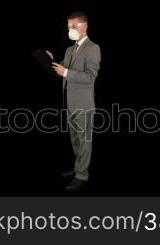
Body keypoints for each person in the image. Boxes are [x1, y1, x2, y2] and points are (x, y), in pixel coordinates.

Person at [47, 11, 101, 191]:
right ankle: (78, 167)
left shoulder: (93, 48)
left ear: (84, 26)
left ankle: (82, 176)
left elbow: (90, 76)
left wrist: (66, 73)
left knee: (84, 140)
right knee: (75, 139)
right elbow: (61, 68)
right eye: (68, 26)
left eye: (73, 26)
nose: (70, 29)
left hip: (84, 104)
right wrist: (50, 60)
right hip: (69, 102)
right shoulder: (70, 49)